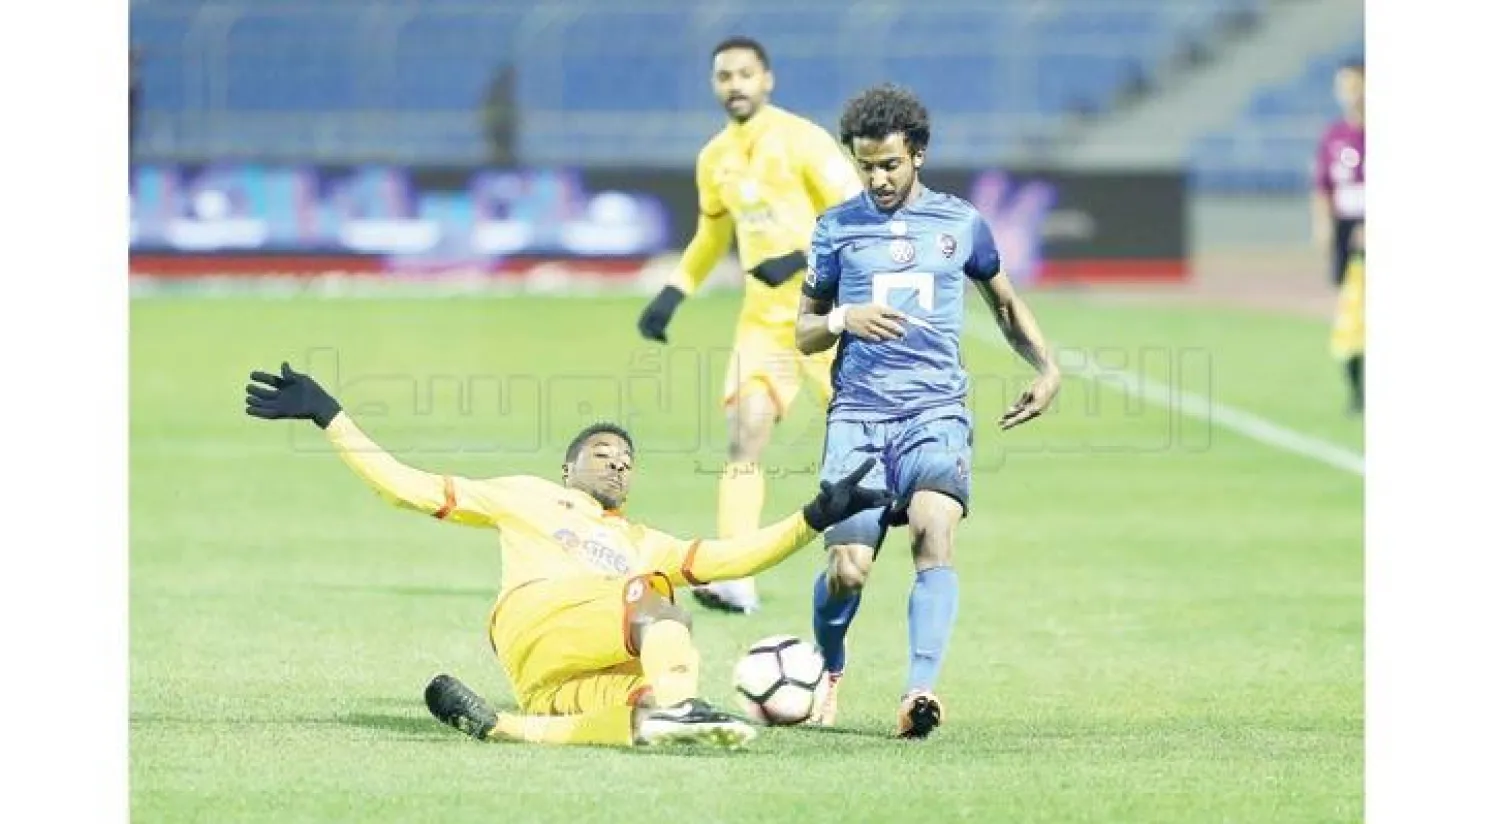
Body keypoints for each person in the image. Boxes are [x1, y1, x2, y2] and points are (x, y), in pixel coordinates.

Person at [242, 363, 889, 749]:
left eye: (627, 459)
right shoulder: (525, 494)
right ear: (567, 466)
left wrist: (814, 518)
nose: (618, 460)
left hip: (544, 674)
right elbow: (403, 486)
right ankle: (678, 704)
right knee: (658, 605)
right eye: (603, 451)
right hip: (537, 617)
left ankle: (508, 728)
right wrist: (329, 414)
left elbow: (732, 559)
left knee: (642, 703)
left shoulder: (644, 540)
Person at [795, 85, 1062, 738]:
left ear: (918, 153)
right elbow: (802, 331)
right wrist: (842, 316)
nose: (878, 178)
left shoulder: (959, 224)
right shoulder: (836, 228)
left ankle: (921, 691)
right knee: (848, 571)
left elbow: (1001, 302)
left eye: (890, 163)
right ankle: (829, 665)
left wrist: (1047, 367)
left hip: (936, 411)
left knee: (933, 531)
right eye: (867, 166)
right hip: (858, 414)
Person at [635, 36, 863, 615]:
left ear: (768, 79)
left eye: (744, 74)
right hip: (763, 325)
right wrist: (673, 291)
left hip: (831, 315)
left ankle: (906, 528)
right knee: (745, 433)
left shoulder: (803, 140)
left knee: (868, 438)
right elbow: (712, 236)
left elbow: (858, 214)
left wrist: (800, 258)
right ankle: (737, 573)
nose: (734, 84)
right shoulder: (715, 157)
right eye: (723, 76)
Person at [1311, 58, 1365, 414]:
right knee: (1350, 310)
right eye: (1343, 85)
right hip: (1347, 231)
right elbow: (1322, 187)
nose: (1349, 93)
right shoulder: (1333, 136)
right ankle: (1357, 392)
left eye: (1355, 84)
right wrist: (1323, 224)